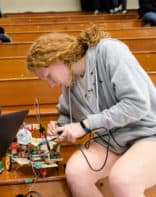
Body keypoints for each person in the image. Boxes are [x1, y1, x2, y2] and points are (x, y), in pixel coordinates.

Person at [26, 25, 156, 196]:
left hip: (149, 133)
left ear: (58, 57)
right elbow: (68, 115)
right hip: (115, 139)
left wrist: (86, 125)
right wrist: (60, 126)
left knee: (124, 178)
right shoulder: (70, 82)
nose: (51, 84)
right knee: (76, 172)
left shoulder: (109, 51)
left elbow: (137, 104)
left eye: (48, 75)